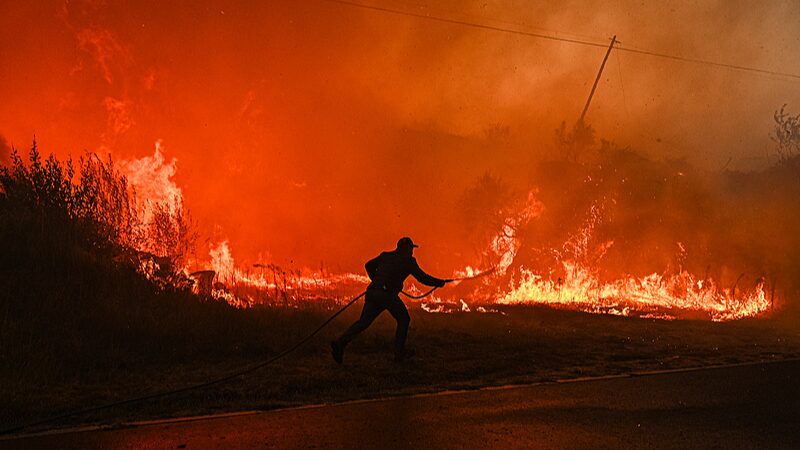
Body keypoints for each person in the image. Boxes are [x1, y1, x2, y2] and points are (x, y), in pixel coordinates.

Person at [331, 237, 447, 363]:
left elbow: (368, 265)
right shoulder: (409, 261)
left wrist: (376, 280)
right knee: (404, 319)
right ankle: (399, 355)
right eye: (411, 249)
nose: (412, 252)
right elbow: (422, 278)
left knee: (363, 322)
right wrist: (439, 282)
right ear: (407, 249)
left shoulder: (385, 256)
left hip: (373, 292)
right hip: (387, 295)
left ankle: (340, 343)